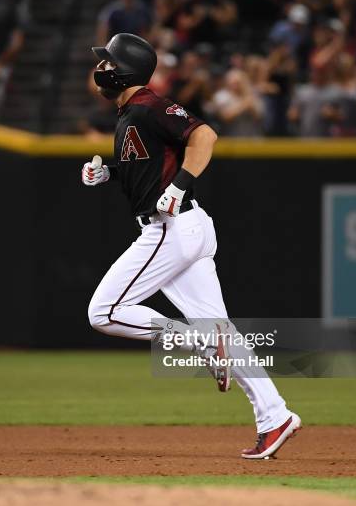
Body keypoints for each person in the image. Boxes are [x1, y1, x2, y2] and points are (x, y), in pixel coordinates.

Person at [82, 32, 301, 459]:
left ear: (124, 69)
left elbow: (205, 137)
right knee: (224, 332)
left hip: (171, 228)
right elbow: (144, 169)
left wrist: (181, 185)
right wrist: (108, 174)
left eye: (108, 62)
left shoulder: (150, 105)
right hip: (187, 228)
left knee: (104, 312)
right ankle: (276, 417)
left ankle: (200, 342)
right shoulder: (131, 113)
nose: (101, 69)